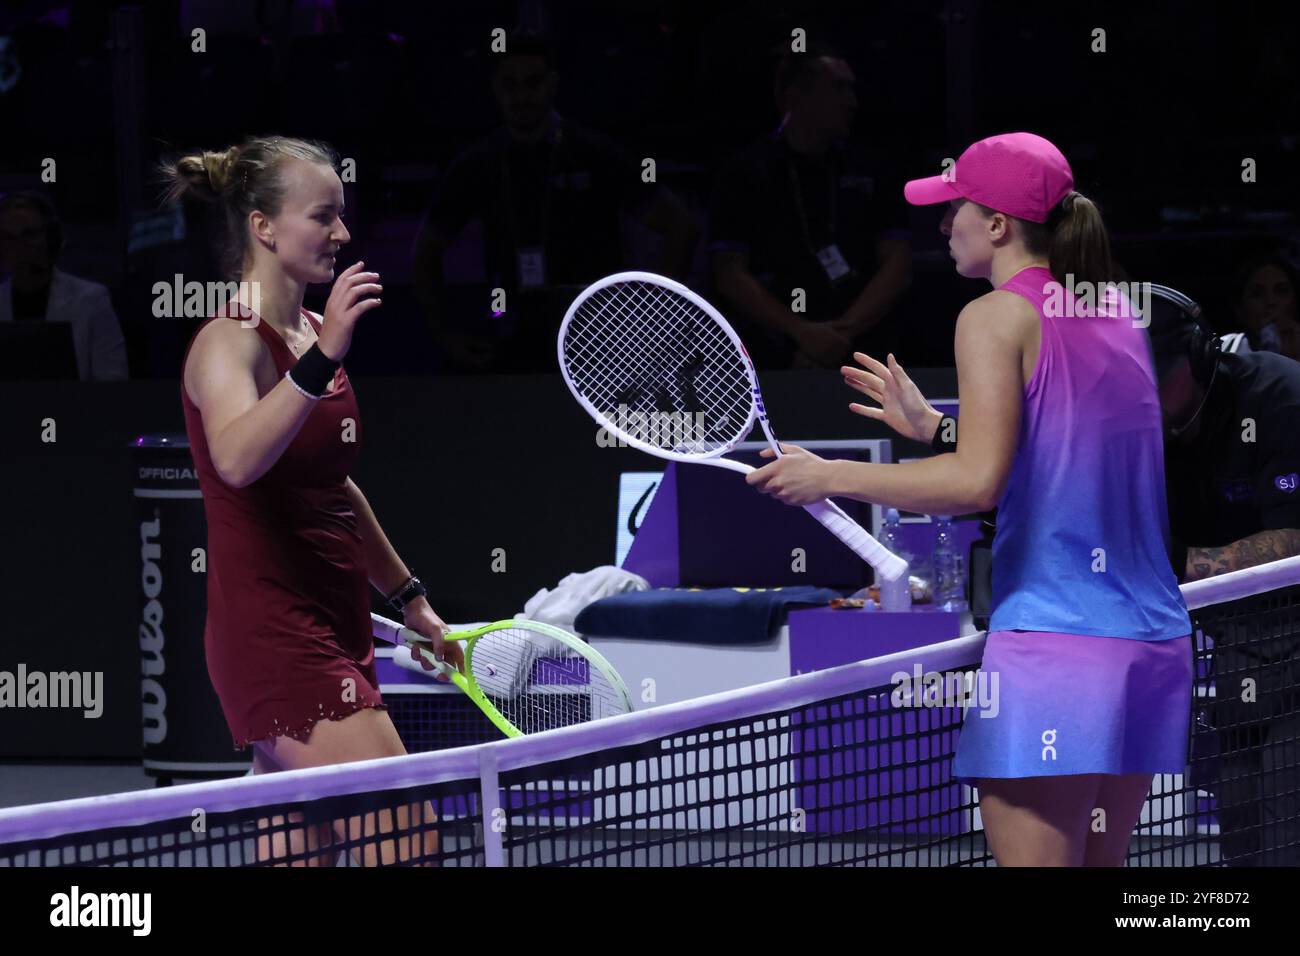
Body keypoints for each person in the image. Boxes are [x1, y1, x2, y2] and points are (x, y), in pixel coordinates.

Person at [747, 132, 1192, 866]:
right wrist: (936, 427)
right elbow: (1063, 454)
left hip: (1057, 650)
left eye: (954, 208)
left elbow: (974, 484)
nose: (942, 224)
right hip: (1148, 643)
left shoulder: (989, 318)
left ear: (997, 225)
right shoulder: (1114, 312)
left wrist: (828, 475)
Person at [167, 135, 463, 865]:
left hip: (339, 626)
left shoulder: (305, 333)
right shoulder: (227, 342)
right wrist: (323, 356)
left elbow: (334, 490)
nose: (343, 234)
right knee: (408, 843)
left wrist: (410, 597)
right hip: (275, 639)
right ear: (264, 227)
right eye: (323, 216)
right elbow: (235, 457)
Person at [412, 33, 695, 373]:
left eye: (532, 83)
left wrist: (653, 320)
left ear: (552, 84)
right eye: (509, 85)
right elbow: (426, 251)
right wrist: (446, 335)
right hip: (510, 321)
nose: (521, 96)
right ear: (495, 89)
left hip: (598, 329)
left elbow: (679, 224)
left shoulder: (595, 152)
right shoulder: (477, 163)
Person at [709, 43, 911, 369]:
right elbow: (729, 273)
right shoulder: (745, 172)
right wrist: (800, 332)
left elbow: (898, 264)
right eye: (838, 89)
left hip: (864, 349)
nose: (852, 103)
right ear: (794, 97)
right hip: (770, 354)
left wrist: (838, 335)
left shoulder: (872, 168)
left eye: (852, 90)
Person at [0, 190, 128, 381]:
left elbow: (113, 380)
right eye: (9, 238)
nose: (20, 247)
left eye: (29, 235)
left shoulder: (91, 299)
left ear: (52, 239)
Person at [1230, 254, 1300, 362]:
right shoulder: (1226, 351)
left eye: (1282, 291)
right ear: (1240, 309)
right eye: (1257, 294)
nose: (1270, 302)